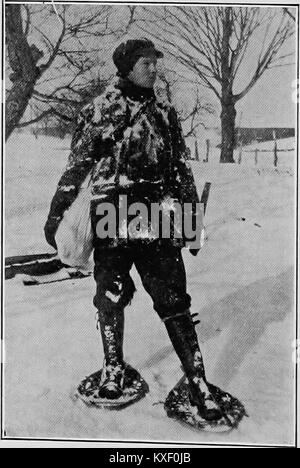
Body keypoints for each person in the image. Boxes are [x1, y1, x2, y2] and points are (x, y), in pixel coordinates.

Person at [44, 38, 222, 421]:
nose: (153, 69)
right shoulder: (99, 110)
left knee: (174, 300)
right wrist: (56, 215)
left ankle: (198, 382)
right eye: (145, 63)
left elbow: (179, 169)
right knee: (110, 296)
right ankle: (113, 369)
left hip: (156, 214)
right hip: (111, 213)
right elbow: (76, 168)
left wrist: (191, 224)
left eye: (155, 62)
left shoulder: (166, 112)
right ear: (125, 67)